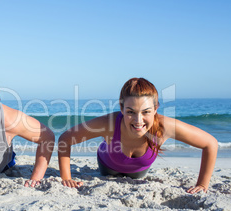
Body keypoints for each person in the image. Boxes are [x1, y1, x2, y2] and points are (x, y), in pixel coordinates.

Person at [58, 77, 218, 194]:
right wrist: (67, 177)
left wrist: (203, 184)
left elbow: (210, 143)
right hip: (107, 166)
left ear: (156, 108)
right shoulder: (109, 123)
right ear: (121, 108)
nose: (138, 120)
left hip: (138, 172)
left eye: (146, 112)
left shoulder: (164, 127)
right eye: (130, 112)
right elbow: (65, 138)